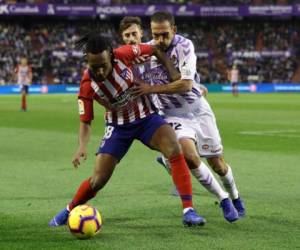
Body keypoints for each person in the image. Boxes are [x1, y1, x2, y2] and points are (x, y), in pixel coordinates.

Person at [49, 32, 206, 228]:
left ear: (111, 56)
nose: (98, 71)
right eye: (93, 66)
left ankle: (189, 211)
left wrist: (173, 71)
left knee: (174, 149)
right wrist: (82, 146)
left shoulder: (125, 54)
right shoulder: (87, 86)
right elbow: (86, 121)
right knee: (98, 180)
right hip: (117, 127)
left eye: (103, 66)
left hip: (146, 117)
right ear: (87, 61)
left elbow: (156, 49)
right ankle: (69, 209)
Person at [123, 12, 245, 221]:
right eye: (156, 35)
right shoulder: (145, 53)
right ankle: (223, 199)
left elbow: (186, 84)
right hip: (172, 115)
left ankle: (235, 196)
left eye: (164, 35)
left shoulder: (184, 45)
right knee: (188, 154)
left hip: (198, 109)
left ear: (174, 30)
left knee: (218, 164)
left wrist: (152, 89)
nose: (160, 40)